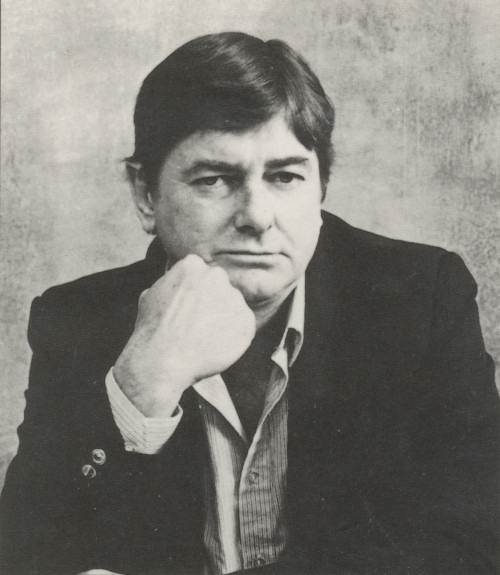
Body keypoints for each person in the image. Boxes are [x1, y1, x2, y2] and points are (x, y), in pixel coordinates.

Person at [1, 31, 498, 575]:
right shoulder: (77, 320)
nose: (258, 217)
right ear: (146, 195)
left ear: (320, 186)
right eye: (215, 179)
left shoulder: (418, 298)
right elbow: (26, 554)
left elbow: (471, 544)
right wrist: (139, 390)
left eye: (285, 176)